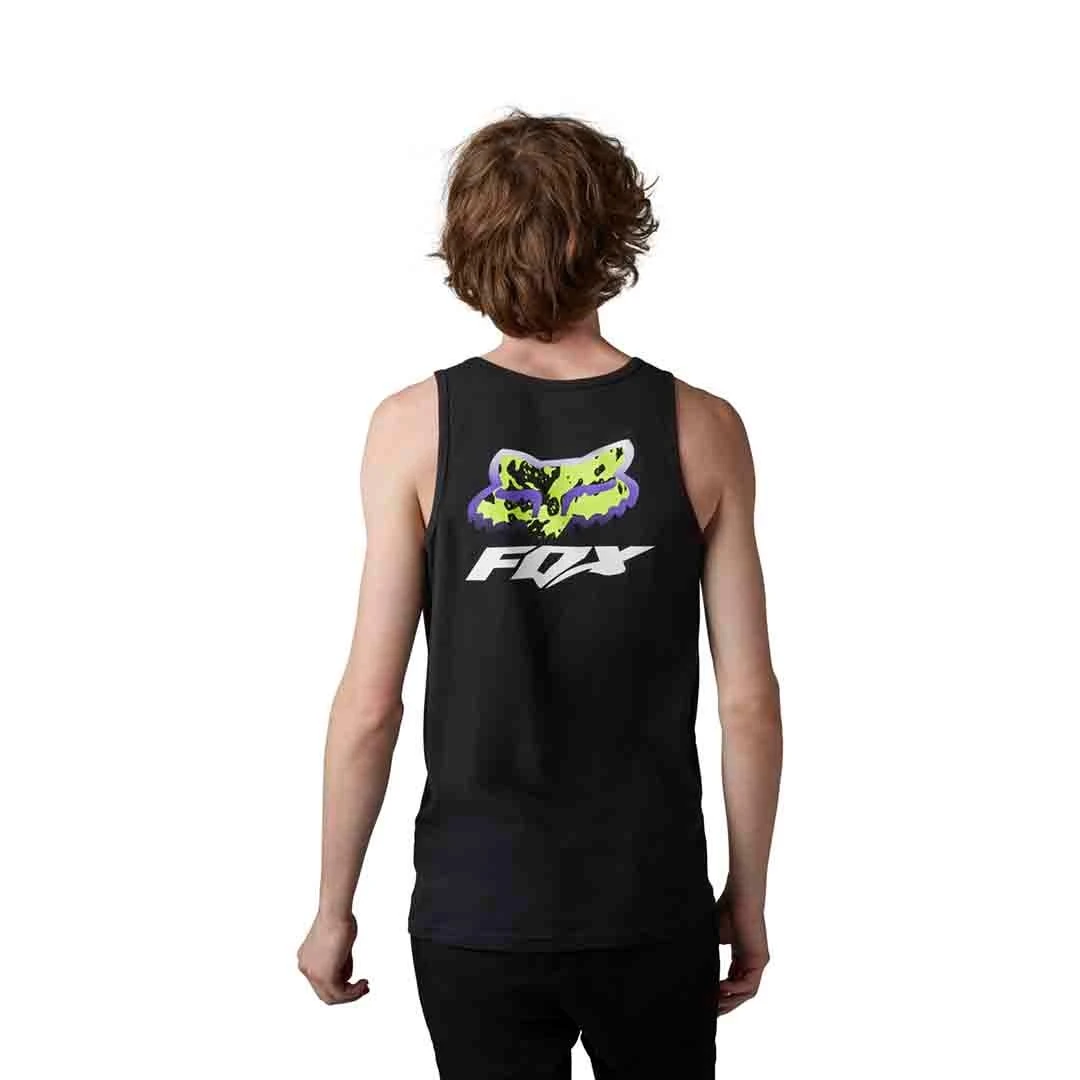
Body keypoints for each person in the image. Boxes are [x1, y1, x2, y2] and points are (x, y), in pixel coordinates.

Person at [297, 109, 783, 1079]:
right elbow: (748, 702)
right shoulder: (703, 428)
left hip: (477, 909)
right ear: (611, 237)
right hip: (651, 907)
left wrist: (331, 906)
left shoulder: (411, 429)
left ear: (470, 244)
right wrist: (749, 894)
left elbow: (370, 705)